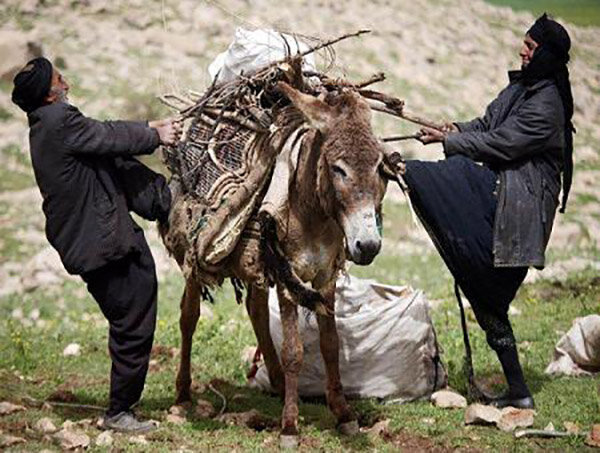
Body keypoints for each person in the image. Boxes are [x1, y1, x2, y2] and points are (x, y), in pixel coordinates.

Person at [404, 13, 574, 409]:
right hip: (504, 201)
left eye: (530, 47)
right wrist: (452, 130)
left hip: (519, 214)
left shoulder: (547, 105)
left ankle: (405, 171)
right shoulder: (522, 89)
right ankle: (520, 393)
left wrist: (453, 143)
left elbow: (503, 143)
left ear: (545, 53)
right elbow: (486, 124)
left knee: (454, 175)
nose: (522, 50)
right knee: (487, 303)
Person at [11, 57, 181, 431]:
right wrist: (156, 135)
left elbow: (106, 138)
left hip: (97, 239)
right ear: (49, 93)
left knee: (112, 159)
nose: (67, 82)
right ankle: (120, 412)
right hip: (101, 244)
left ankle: (165, 199)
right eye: (60, 78)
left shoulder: (49, 126)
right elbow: (107, 133)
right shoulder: (58, 122)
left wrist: (150, 128)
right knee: (132, 320)